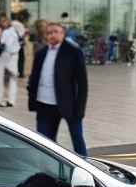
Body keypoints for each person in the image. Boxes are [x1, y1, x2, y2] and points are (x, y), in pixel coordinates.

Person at [26, 20, 89, 156]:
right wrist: (32, 99)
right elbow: (34, 77)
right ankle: (50, 169)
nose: (51, 35)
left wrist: (80, 108)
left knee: (77, 140)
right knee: (45, 142)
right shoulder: (41, 54)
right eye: (49, 33)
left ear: (62, 33)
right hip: (44, 105)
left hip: (68, 105)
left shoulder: (73, 52)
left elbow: (82, 83)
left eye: (55, 32)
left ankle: (86, 166)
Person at [0, 14, 21, 108]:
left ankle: (11, 100)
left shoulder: (12, 30)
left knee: (13, 77)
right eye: (2, 21)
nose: (4, 23)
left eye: (5, 20)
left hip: (12, 54)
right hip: (3, 54)